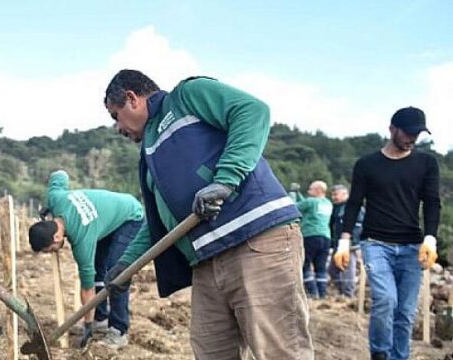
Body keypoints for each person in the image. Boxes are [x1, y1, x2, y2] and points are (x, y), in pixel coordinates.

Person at [102, 70, 313, 359]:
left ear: (131, 98)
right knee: (211, 351)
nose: (117, 128)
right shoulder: (149, 154)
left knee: (278, 350)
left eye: (116, 116)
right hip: (205, 261)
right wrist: (126, 263)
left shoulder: (187, 97)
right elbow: (160, 224)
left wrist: (225, 180)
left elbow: (252, 111)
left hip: (256, 241)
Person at [334, 106, 440, 360]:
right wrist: (344, 240)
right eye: (408, 132)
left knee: (405, 312)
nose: (412, 138)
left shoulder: (427, 163)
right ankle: (380, 353)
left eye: (417, 133)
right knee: (385, 300)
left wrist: (430, 238)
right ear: (392, 129)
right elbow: (354, 203)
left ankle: (399, 357)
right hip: (376, 243)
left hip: (412, 245)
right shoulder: (367, 165)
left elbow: (432, 201)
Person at [28, 170, 144, 350]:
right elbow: (60, 174)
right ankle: (101, 318)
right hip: (105, 220)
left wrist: (87, 326)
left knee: (117, 274)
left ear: (57, 238)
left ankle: (118, 330)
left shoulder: (81, 239)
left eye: (48, 250)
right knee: (99, 268)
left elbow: (87, 287)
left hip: (130, 217)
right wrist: (49, 206)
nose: (51, 253)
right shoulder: (55, 199)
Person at [290, 180, 333, 299]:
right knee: (321, 267)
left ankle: (312, 293)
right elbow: (307, 205)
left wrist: (293, 194)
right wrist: (300, 194)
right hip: (325, 237)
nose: (308, 191)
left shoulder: (311, 202)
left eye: (311, 189)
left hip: (310, 235)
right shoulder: (328, 203)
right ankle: (323, 293)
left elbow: (293, 207)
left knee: (305, 264)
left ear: (318, 190)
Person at [327, 184, 364, 298]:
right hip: (338, 244)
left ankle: (348, 294)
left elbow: (358, 226)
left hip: (349, 244)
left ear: (345, 194)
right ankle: (341, 290)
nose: (334, 197)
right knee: (333, 269)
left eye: (336, 194)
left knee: (347, 269)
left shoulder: (354, 208)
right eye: (332, 195)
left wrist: (354, 242)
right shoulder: (335, 209)